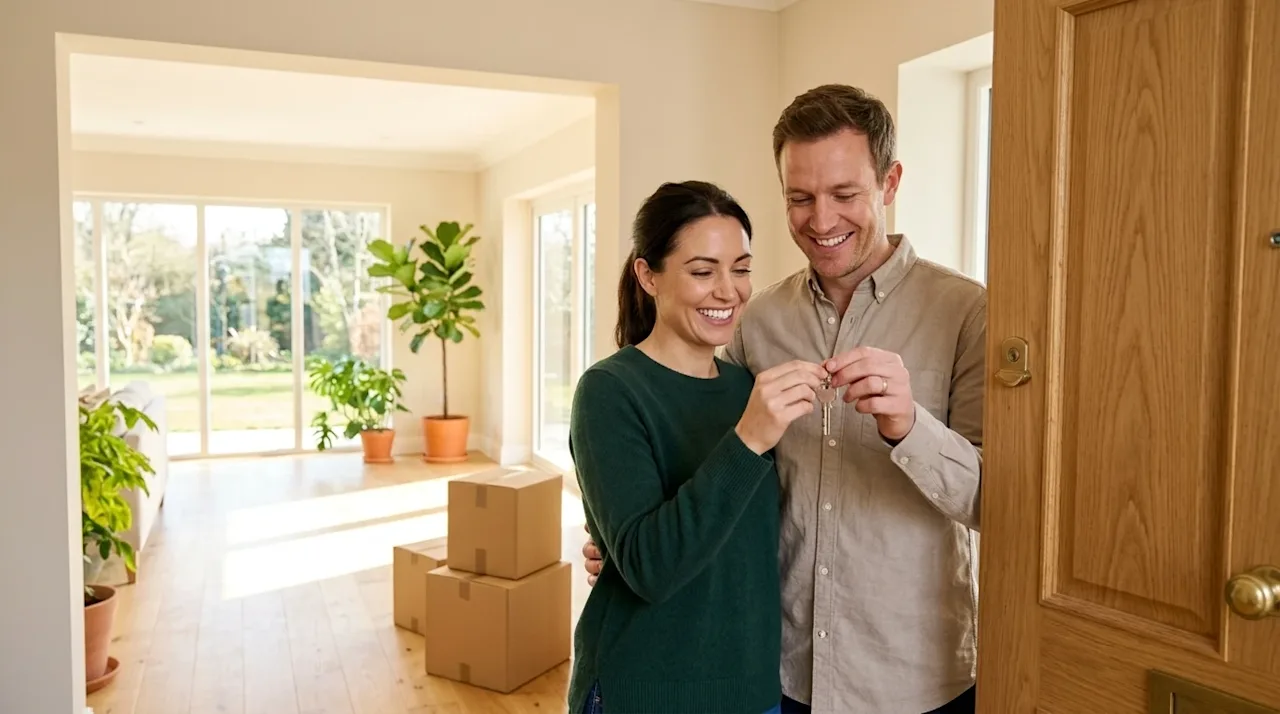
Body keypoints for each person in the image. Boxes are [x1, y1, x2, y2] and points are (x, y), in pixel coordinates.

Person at [582, 85, 986, 714]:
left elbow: (1000, 505)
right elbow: (707, 454)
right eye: (800, 198)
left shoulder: (967, 313)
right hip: (779, 674)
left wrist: (911, 428)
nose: (821, 221)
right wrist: (616, 534)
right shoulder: (756, 317)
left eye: (845, 195)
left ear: (891, 180)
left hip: (913, 678)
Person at [566, 180, 828, 714]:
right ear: (648, 275)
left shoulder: (744, 388)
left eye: (741, 268)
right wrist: (749, 439)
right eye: (703, 271)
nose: (728, 291)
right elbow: (650, 566)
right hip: (646, 692)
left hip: (753, 692)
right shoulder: (610, 391)